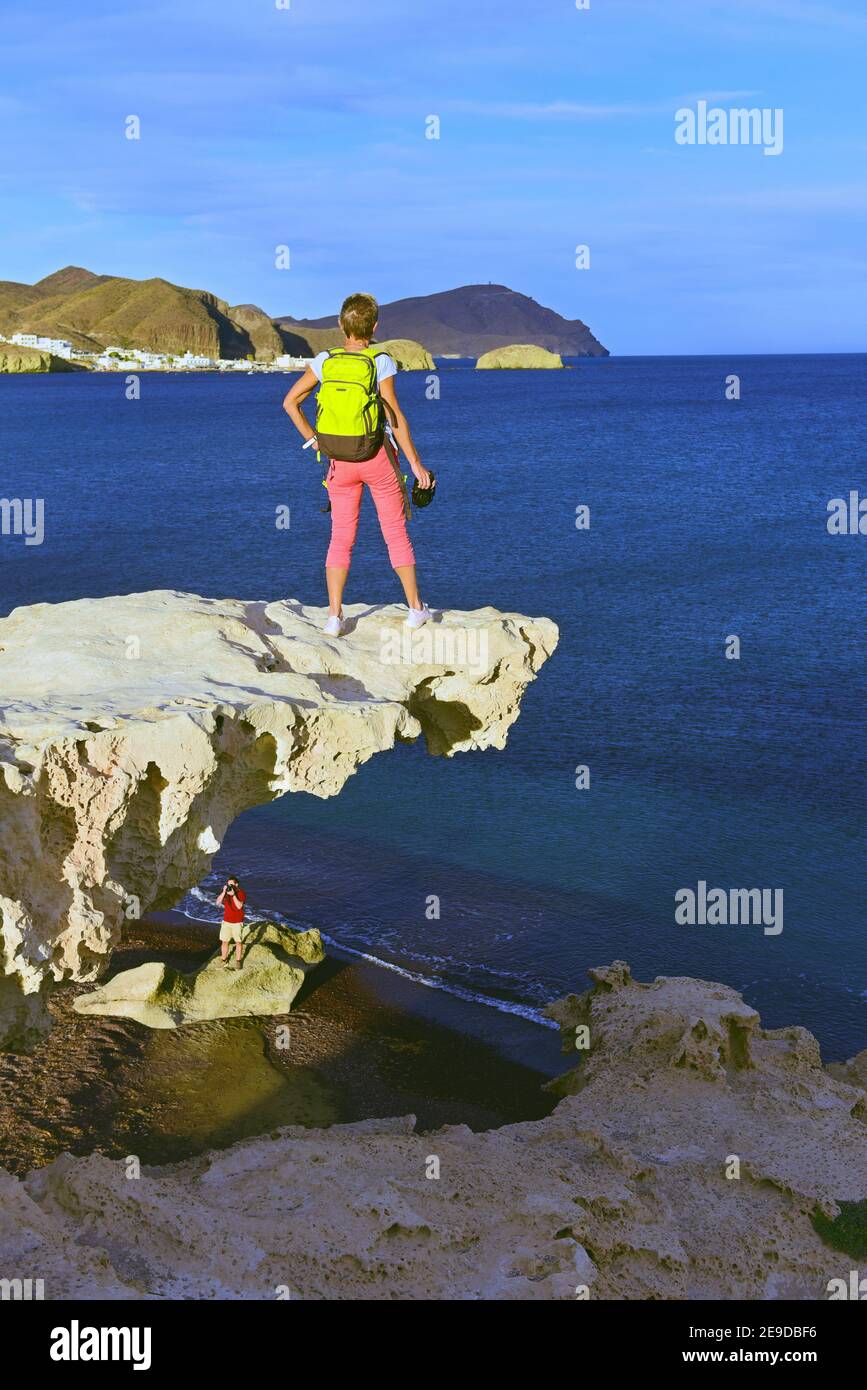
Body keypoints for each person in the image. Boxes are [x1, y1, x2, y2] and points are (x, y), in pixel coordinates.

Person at [283, 292, 434, 636]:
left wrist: (315, 441)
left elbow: (290, 402)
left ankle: (334, 617)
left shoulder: (325, 360)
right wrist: (416, 465)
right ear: (375, 326)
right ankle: (415, 610)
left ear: (340, 325)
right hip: (377, 457)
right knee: (395, 533)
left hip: (338, 462)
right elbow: (394, 418)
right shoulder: (380, 360)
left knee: (340, 538)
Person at [216, 875, 247, 969]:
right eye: (229, 885)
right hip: (226, 921)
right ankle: (223, 960)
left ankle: (238, 961)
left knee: (238, 942)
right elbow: (217, 903)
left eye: (232, 885)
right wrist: (223, 892)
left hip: (237, 922)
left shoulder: (241, 893)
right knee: (224, 942)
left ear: (236, 884)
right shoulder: (226, 893)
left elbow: (239, 906)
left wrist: (233, 895)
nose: (230, 886)